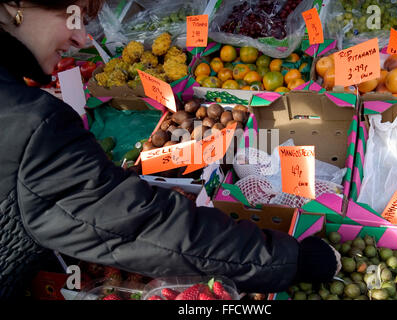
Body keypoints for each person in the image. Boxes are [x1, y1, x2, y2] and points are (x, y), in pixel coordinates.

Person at [0, 0, 341, 299]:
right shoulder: (31, 123)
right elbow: (140, 227)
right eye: (72, 15)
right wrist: (289, 259)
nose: (82, 37)